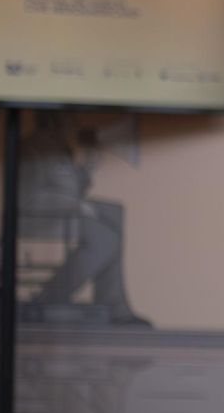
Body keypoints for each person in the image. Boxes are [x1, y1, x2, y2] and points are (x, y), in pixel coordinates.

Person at [19, 114, 145, 327]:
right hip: (40, 219)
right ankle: (49, 298)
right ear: (53, 120)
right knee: (104, 237)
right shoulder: (33, 148)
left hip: (63, 217)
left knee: (114, 213)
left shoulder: (60, 148)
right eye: (69, 120)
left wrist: (85, 169)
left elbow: (71, 187)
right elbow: (27, 197)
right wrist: (76, 204)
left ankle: (115, 305)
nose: (73, 125)